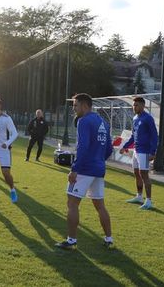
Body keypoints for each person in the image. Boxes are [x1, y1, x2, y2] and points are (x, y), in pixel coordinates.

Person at [56, 93, 114, 250]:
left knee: (72, 203)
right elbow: (109, 148)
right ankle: (109, 239)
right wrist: (99, 161)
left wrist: (74, 169)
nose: (74, 109)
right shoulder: (103, 121)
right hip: (99, 169)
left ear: (84, 105)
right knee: (100, 205)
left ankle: (71, 241)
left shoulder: (83, 121)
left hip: (85, 168)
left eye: (75, 105)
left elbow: (83, 146)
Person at [119, 97, 158, 210]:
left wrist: (153, 152)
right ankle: (139, 197)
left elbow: (155, 136)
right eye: (133, 105)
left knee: (144, 174)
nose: (134, 107)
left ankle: (149, 201)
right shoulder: (135, 118)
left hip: (145, 151)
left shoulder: (148, 118)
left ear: (142, 106)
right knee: (136, 173)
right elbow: (133, 135)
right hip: (136, 150)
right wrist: (125, 147)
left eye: (136, 105)